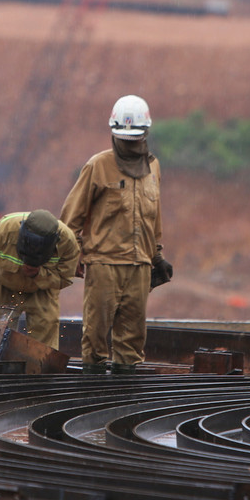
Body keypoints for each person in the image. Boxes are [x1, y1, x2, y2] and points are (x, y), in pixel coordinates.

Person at [60, 94, 173, 374]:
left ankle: (125, 393)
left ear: (145, 133)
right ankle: (92, 391)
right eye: (124, 138)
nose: (129, 143)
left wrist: (156, 256)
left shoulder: (153, 168)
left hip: (140, 267)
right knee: (95, 336)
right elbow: (71, 216)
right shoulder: (98, 166)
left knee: (132, 340)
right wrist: (72, 254)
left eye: (134, 138)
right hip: (104, 265)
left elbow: (153, 215)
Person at [0, 209, 80, 351]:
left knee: (44, 349)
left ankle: (40, 372)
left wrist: (39, 274)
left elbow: (65, 277)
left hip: (42, 289)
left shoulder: (67, 242)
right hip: (3, 286)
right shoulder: (5, 230)